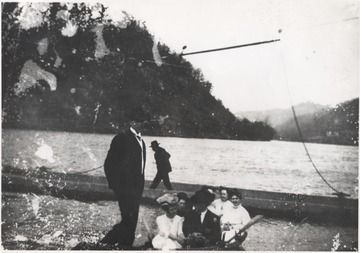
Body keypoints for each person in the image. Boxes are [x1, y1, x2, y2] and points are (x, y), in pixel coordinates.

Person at [101, 119, 146, 246]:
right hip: (125, 188)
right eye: (141, 121)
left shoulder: (141, 141)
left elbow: (140, 168)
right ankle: (119, 243)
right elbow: (109, 164)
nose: (143, 123)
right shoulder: (121, 138)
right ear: (132, 122)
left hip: (137, 188)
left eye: (145, 121)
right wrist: (116, 187)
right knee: (128, 219)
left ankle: (116, 242)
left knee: (132, 219)